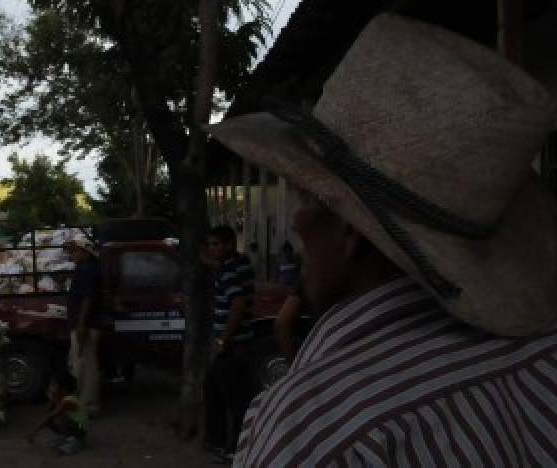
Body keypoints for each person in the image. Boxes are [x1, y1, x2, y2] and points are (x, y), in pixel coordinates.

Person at [211, 13, 557, 466]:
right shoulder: (542, 363)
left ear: (350, 228)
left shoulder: (316, 430)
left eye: (310, 198)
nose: (296, 222)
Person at [201, 225, 257, 464]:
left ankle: (234, 449)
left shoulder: (228, 272)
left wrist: (223, 338)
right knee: (213, 388)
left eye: (216, 244)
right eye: (210, 245)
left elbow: (237, 304)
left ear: (228, 245)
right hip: (239, 343)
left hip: (233, 345)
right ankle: (220, 443)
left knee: (235, 399)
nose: (212, 249)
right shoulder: (240, 262)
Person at [63, 238, 104, 417]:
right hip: (84, 324)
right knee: (80, 364)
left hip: (86, 326)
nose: (71, 254)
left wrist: (81, 325)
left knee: (85, 367)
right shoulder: (84, 267)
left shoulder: (87, 270)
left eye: (74, 251)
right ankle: (85, 403)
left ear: (85, 252)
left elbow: (88, 299)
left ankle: (88, 407)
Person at [26, 371, 88, 456]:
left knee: (57, 419)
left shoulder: (68, 401)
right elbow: (46, 413)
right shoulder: (59, 399)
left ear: (64, 390)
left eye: (54, 385)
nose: (50, 387)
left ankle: (77, 441)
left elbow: (51, 416)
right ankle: (67, 438)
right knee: (50, 422)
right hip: (71, 428)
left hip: (79, 430)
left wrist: (33, 432)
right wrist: (52, 399)